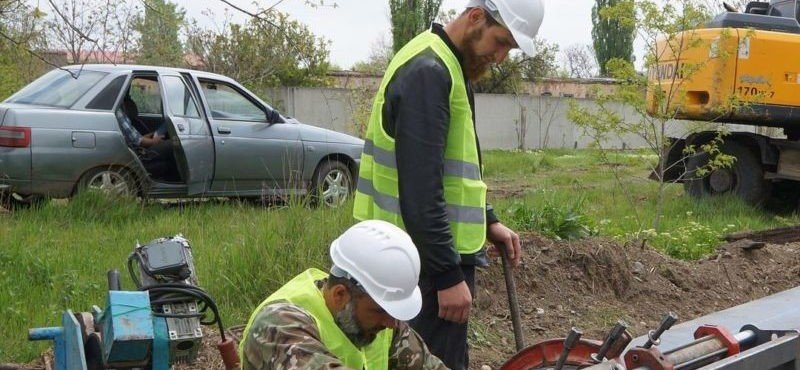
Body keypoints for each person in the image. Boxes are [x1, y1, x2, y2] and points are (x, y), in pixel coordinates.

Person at [352, 0, 545, 369]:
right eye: (501, 41)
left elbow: (454, 166)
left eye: (509, 49)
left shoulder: (448, 64)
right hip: (417, 263)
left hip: (417, 253)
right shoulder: (429, 71)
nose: (501, 57)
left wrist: (488, 220)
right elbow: (422, 187)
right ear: (475, 17)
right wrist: (447, 275)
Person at [239, 220, 450, 370]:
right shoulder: (279, 324)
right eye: (380, 310)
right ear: (340, 294)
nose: (391, 323)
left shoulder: (384, 323)